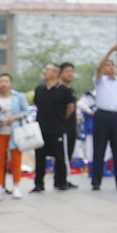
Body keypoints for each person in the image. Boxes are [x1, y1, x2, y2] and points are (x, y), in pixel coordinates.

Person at [90, 45, 117, 191]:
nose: (110, 67)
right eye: (107, 65)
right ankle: (96, 181)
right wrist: (109, 52)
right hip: (102, 116)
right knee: (99, 149)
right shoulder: (99, 80)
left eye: (112, 65)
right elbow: (98, 68)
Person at [30, 62, 76, 191]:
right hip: (41, 129)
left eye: (48, 69)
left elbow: (70, 108)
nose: (44, 71)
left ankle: (60, 182)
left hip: (57, 129)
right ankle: (38, 184)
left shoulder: (63, 90)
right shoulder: (39, 89)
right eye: (45, 69)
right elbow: (37, 105)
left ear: (56, 73)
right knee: (39, 157)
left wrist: (60, 119)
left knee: (59, 157)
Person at [0, 73, 28, 198]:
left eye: (6, 81)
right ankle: (0, 186)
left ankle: (16, 186)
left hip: (15, 132)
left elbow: (26, 111)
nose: (4, 84)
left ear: (10, 83)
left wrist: (15, 117)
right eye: (1, 81)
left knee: (16, 160)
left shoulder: (18, 96)